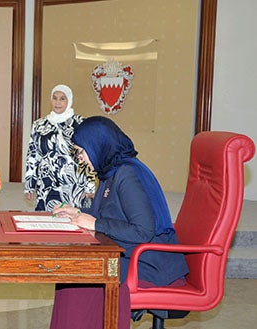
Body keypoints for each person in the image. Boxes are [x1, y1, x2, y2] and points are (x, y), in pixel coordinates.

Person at [50, 116, 189, 329]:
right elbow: (109, 214)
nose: (80, 158)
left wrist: (95, 224)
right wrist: (77, 212)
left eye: (81, 151)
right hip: (132, 250)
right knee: (74, 270)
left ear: (98, 145)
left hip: (149, 261)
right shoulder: (110, 171)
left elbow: (143, 230)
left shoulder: (127, 175)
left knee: (82, 272)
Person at [24, 84, 95, 211]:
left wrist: (90, 185)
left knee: (73, 225)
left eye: (62, 99)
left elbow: (90, 155)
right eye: (55, 98)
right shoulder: (39, 125)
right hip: (46, 186)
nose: (58, 102)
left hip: (74, 186)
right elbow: (33, 156)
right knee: (46, 225)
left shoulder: (80, 123)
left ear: (69, 100)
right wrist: (30, 184)